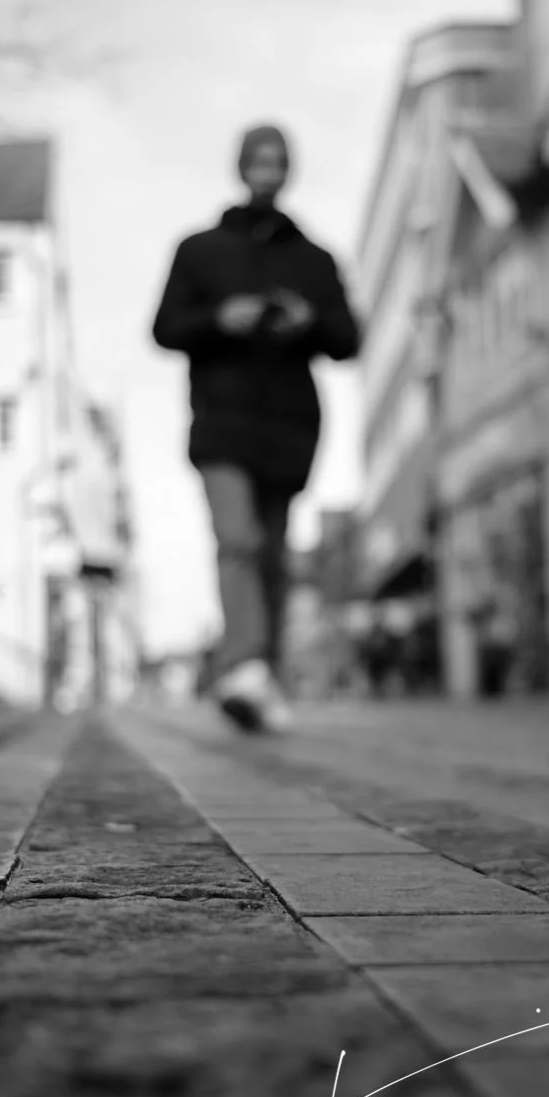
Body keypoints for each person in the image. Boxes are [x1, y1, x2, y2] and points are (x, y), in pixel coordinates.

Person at [152, 123, 360, 733]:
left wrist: (308, 320)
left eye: (278, 162)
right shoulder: (198, 250)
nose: (268, 172)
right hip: (221, 419)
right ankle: (242, 664)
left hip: (289, 423)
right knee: (237, 539)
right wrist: (221, 317)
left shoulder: (315, 260)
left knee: (271, 557)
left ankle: (260, 680)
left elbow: (349, 339)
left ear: (288, 170)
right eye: (258, 161)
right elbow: (165, 329)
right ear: (241, 168)